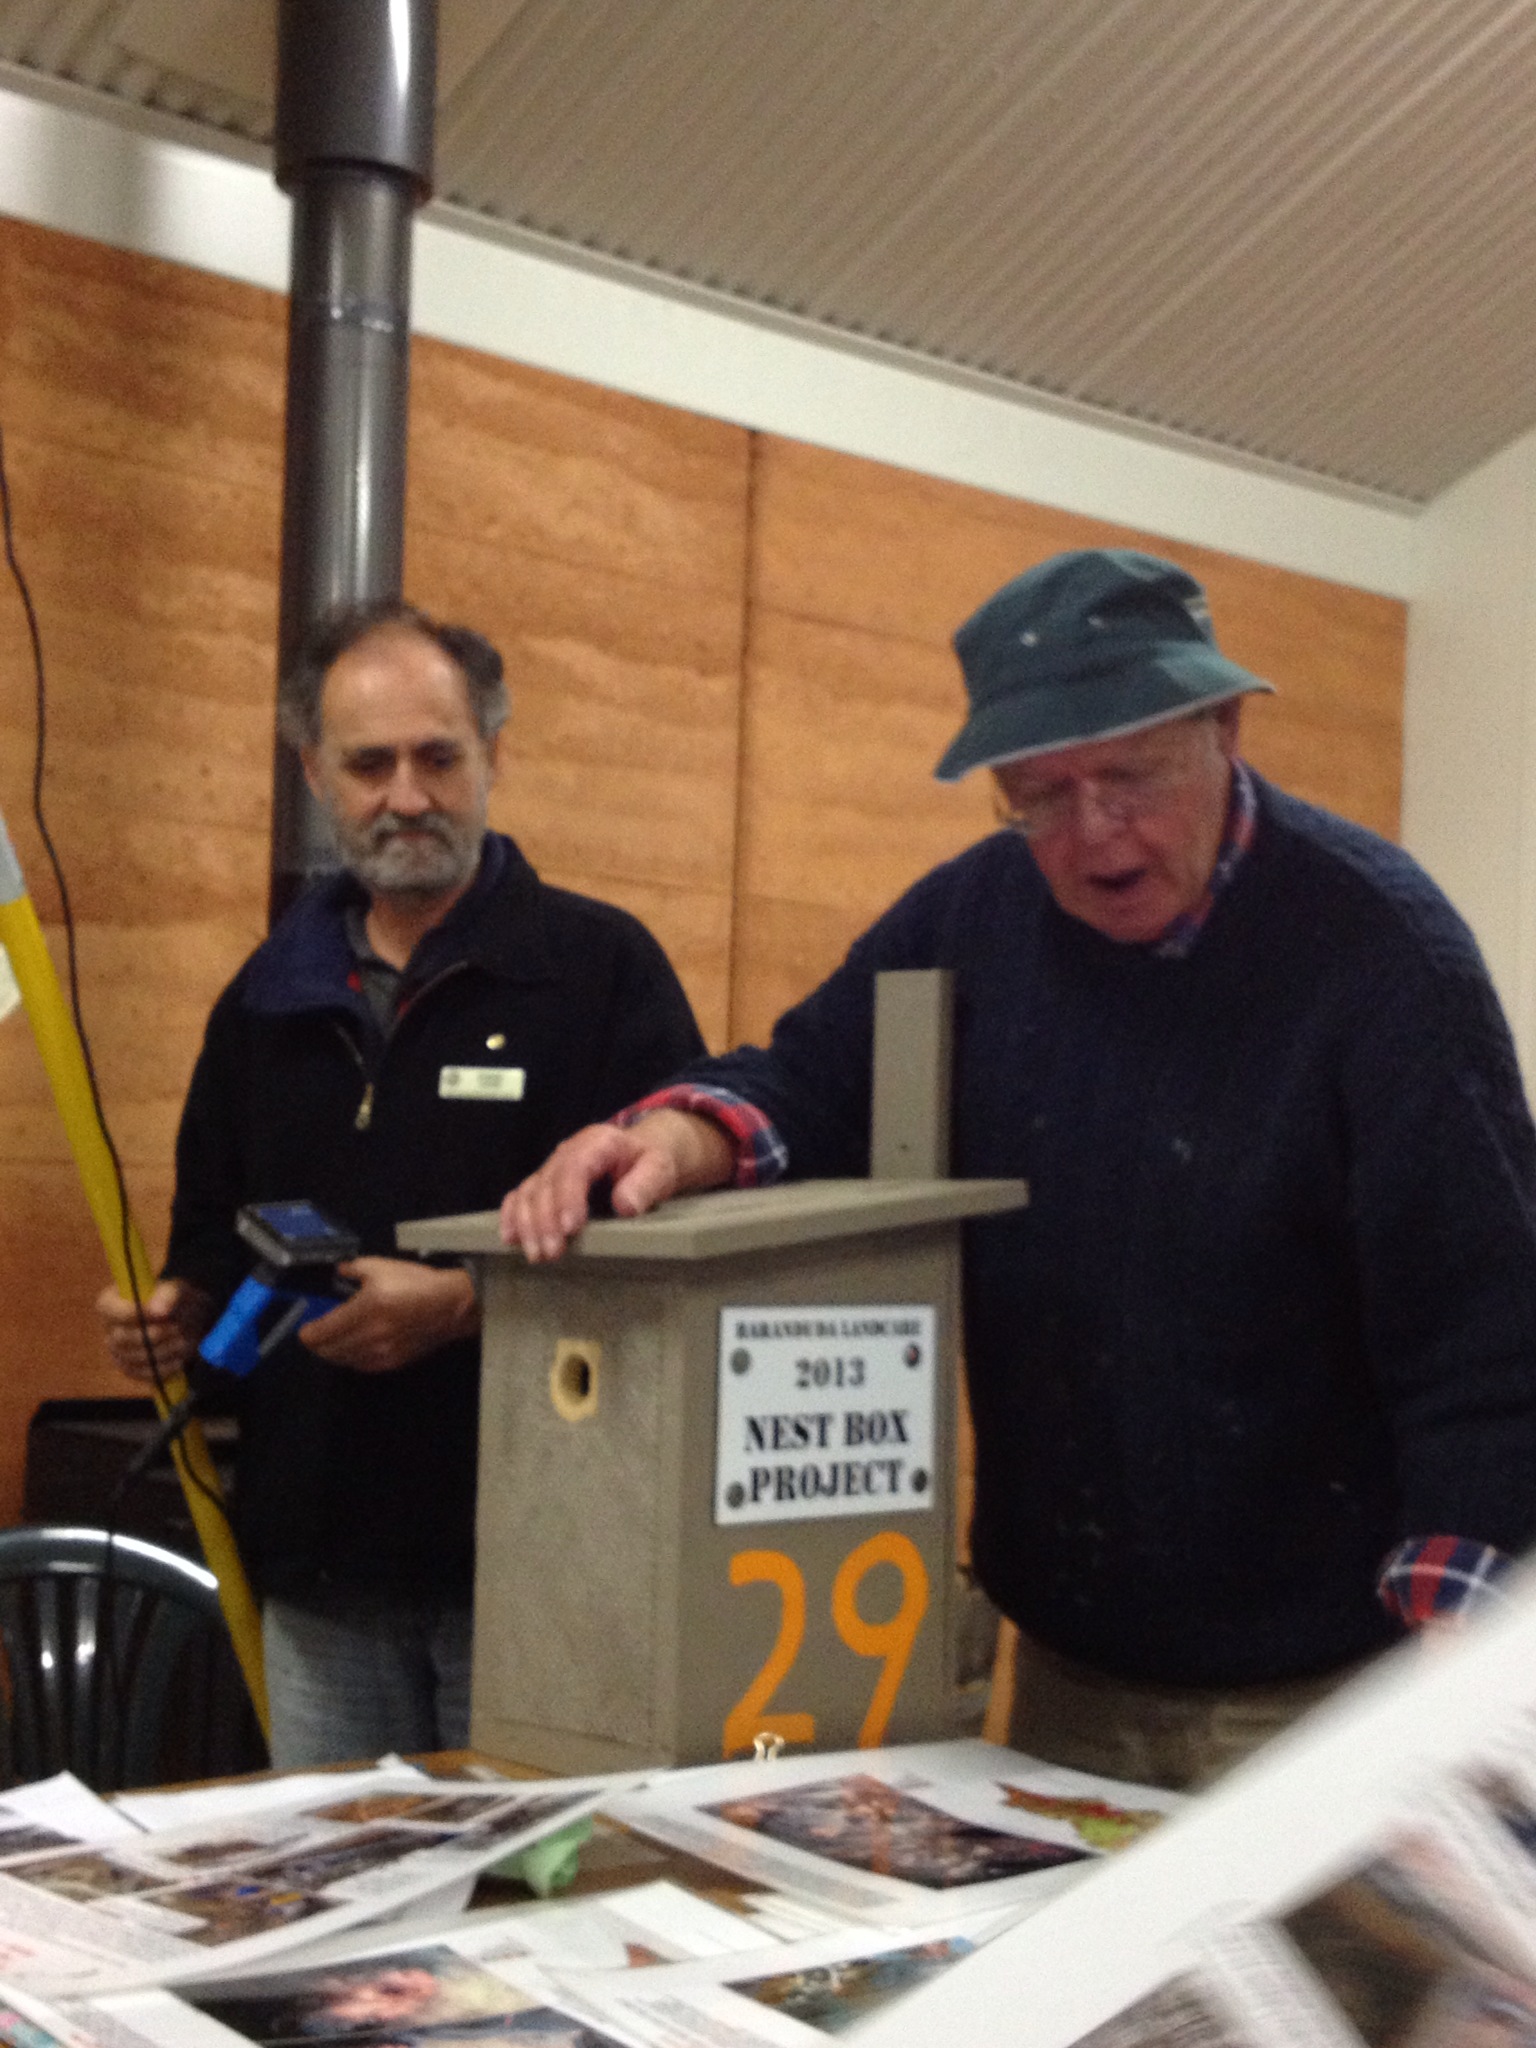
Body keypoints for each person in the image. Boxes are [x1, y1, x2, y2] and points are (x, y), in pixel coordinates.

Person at [500, 548, 1536, 1791]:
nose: (1093, 834)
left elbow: (1487, 1330)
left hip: (1325, 1692)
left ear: (1225, 726)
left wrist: (1454, 1670)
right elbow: (813, 1075)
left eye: (1131, 777)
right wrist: (672, 1136)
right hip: (1061, 1675)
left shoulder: (1382, 954)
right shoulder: (971, 916)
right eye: (1038, 794)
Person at [96, 599, 704, 1767]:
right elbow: (211, 1245)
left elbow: (681, 1266)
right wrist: (171, 1318)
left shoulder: (602, 971)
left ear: (494, 756)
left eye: (439, 756)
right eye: (370, 763)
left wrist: (472, 1306)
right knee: (348, 1912)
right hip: (320, 1573)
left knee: (526, 1916)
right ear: (316, 771)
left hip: (543, 1570)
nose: (407, 796)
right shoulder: (263, 999)